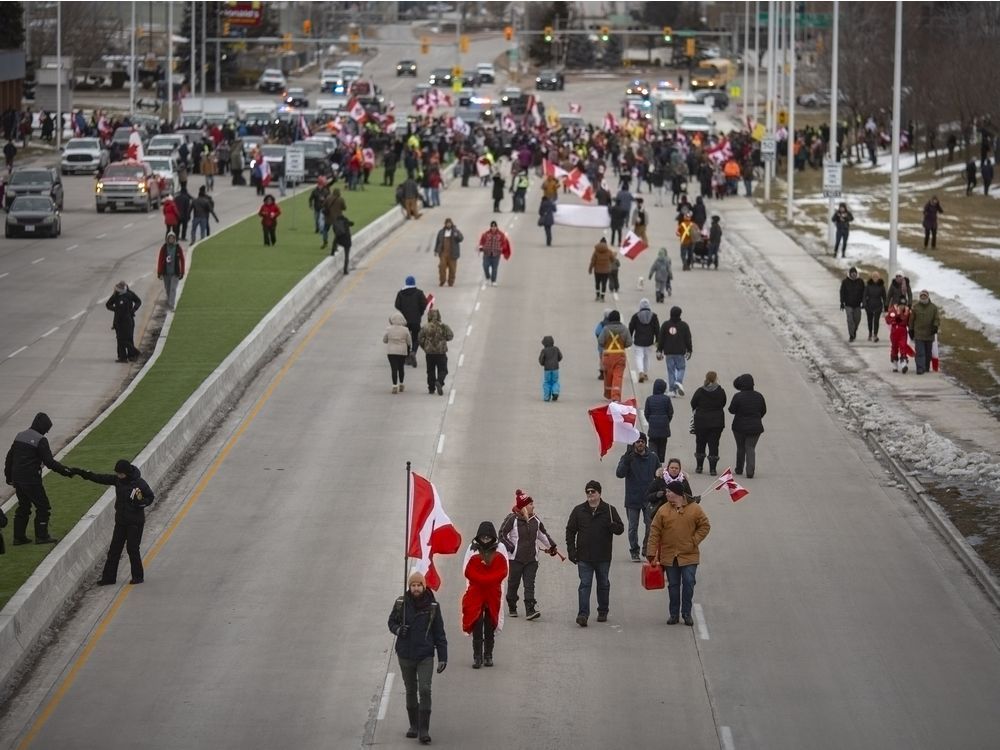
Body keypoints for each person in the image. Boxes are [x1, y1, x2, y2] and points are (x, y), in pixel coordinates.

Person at [387, 571, 447, 744]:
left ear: (424, 586)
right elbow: (391, 622)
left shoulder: (433, 606)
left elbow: (439, 633)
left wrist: (443, 657)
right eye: (413, 585)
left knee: (425, 690)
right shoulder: (401, 603)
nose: (416, 588)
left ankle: (424, 729)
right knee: (411, 690)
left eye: (419, 585)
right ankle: (413, 725)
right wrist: (399, 630)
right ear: (409, 587)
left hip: (425, 655)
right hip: (405, 654)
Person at [72, 460, 154, 585]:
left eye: (121, 474)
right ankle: (109, 578)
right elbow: (100, 478)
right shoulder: (117, 480)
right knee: (114, 549)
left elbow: (150, 497)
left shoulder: (139, 483)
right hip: (121, 521)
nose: (119, 476)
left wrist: (141, 503)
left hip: (135, 522)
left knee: (132, 549)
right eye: (117, 474)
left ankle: (137, 576)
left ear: (127, 473)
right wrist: (84, 473)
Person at [646, 480, 711, 626]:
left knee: (688, 583)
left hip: (689, 555)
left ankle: (686, 613)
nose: (667, 494)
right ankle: (674, 614)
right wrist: (651, 553)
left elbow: (705, 526)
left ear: (678, 494)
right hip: (669, 556)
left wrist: (694, 541)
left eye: (669, 492)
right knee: (673, 586)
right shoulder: (663, 510)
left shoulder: (695, 509)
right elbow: (654, 531)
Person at [4, 412, 73, 545]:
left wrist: (9, 476)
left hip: (17, 478)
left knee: (23, 506)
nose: (46, 433)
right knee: (43, 507)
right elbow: (49, 462)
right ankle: (42, 536)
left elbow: (10, 457)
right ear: (43, 427)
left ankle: (18, 537)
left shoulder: (20, 436)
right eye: (46, 429)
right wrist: (65, 471)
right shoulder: (40, 440)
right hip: (31, 479)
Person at [565, 480, 625, 626]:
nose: (590, 494)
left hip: (603, 556)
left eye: (593, 491)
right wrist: (571, 551)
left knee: (603, 583)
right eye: (588, 492)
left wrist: (613, 527)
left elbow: (620, 529)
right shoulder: (579, 510)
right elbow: (570, 531)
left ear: (599, 493)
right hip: (584, 556)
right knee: (585, 584)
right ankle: (583, 615)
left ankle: (603, 610)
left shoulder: (609, 510)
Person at [499, 489, 558, 621]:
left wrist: (552, 547)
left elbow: (543, 535)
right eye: (531, 504)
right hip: (515, 559)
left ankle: (530, 609)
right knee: (513, 584)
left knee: (529, 584)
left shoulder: (535, 520)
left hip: (531, 559)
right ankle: (512, 605)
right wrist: (511, 547)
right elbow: (502, 534)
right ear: (524, 506)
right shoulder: (512, 519)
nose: (533, 506)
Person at [461, 521, 509, 669]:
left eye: (489, 537)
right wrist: (478, 581)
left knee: (490, 623)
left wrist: (489, 580)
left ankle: (488, 655)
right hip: (476, 591)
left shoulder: (500, 548)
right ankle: (477, 656)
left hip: (493, 592)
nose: (486, 540)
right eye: (483, 537)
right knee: (477, 623)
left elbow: (504, 569)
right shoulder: (472, 548)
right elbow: (467, 569)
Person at [616, 433, 661, 563]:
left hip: (649, 499)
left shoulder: (653, 458)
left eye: (642, 441)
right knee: (632, 528)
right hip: (632, 499)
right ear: (633, 444)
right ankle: (634, 550)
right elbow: (619, 474)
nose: (640, 443)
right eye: (637, 442)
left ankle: (646, 549)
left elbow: (659, 475)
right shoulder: (627, 458)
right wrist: (626, 461)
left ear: (645, 443)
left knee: (650, 526)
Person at [729, 373, 767, 478]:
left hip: (739, 427)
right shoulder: (759, 396)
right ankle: (750, 471)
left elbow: (731, 410)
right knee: (750, 447)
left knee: (740, 447)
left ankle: (739, 468)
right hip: (755, 427)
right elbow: (763, 410)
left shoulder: (738, 396)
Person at [690, 371, 727, 475]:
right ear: (716, 379)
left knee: (700, 443)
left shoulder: (700, 391)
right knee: (714, 444)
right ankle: (713, 469)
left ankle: (699, 466)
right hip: (717, 422)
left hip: (701, 421)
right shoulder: (720, 391)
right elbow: (723, 403)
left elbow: (693, 403)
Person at [657, 306, 693, 396]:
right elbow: (688, 339)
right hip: (680, 352)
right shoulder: (684, 325)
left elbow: (661, 338)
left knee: (671, 370)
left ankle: (672, 390)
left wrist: (659, 350)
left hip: (668, 352)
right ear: (680, 314)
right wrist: (689, 350)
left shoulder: (665, 325)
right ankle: (678, 382)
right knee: (681, 368)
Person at [597, 310, 632, 401]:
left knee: (608, 376)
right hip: (620, 355)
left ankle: (608, 394)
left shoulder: (606, 329)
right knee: (618, 376)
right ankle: (615, 396)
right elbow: (629, 342)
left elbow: (600, 341)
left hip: (608, 356)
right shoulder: (624, 329)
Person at [417, 308, 454, 396]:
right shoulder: (443, 326)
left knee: (430, 370)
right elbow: (450, 336)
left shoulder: (425, 326)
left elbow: (419, 338)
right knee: (443, 370)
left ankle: (431, 388)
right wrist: (443, 340)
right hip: (441, 353)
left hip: (429, 353)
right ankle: (439, 381)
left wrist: (425, 346)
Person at [395, 276, 428, 367]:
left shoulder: (400, 293)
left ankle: (406, 357)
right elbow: (424, 304)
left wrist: (403, 311)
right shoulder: (419, 293)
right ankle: (413, 352)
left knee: (405, 338)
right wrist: (420, 312)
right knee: (416, 337)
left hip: (404, 321)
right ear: (414, 283)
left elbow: (397, 305)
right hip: (416, 320)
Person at [105, 281, 142, 362]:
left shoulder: (129, 294)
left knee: (126, 338)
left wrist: (134, 309)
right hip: (121, 320)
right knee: (121, 339)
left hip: (126, 320)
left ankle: (132, 354)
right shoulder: (116, 295)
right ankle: (123, 357)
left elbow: (138, 301)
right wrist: (116, 309)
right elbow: (108, 304)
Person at [909, 289, 941, 375]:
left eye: (925, 296)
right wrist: (911, 330)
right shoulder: (915, 307)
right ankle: (920, 368)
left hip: (929, 334)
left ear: (928, 297)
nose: (923, 297)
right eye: (921, 296)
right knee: (920, 352)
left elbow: (937, 319)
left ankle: (926, 366)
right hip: (918, 333)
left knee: (928, 352)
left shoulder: (933, 308)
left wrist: (935, 326)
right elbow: (911, 320)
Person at [629, 298, 659, 383]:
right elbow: (657, 329)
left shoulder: (636, 316)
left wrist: (629, 338)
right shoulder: (654, 316)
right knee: (647, 357)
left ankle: (640, 372)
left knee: (639, 356)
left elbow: (631, 328)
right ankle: (645, 373)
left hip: (638, 340)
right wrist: (657, 340)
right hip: (649, 341)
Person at [644, 379, 674, 463]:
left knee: (652, 441)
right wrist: (667, 420)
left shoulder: (649, 399)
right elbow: (670, 412)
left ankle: (653, 457)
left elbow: (646, 412)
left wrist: (650, 420)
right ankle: (660, 460)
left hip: (653, 424)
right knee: (662, 443)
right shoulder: (666, 399)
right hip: (664, 424)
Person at [156, 232, 186, 311]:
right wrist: (159, 272)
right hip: (166, 273)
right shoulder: (164, 248)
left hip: (175, 273)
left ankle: (171, 305)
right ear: (167, 239)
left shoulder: (178, 247)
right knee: (168, 289)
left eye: (173, 238)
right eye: (170, 238)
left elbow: (182, 260)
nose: (171, 240)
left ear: (175, 239)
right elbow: (160, 259)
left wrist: (182, 271)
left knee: (173, 289)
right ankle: (169, 302)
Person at [383, 312, 412, 394]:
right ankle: (401, 384)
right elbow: (409, 342)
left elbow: (384, 340)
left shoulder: (388, 329)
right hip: (402, 351)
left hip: (391, 352)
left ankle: (394, 385)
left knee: (394, 368)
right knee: (401, 368)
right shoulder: (405, 330)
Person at [477, 220, 511, 287]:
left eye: (494, 226)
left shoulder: (501, 234)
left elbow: (505, 243)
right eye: (492, 226)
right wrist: (480, 247)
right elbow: (482, 242)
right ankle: (488, 277)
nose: (493, 228)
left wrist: (502, 248)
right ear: (490, 227)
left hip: (496, 254)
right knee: (485, 266)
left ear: (496, 227)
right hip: (487, 254)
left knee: (494, 268)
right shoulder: (486, 234)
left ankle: (493, 281)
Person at [433, 218, 463, 287]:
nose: (448, 224)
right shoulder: (441, 232)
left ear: (451, 224)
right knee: (441, 267)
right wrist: (436, 251)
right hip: (443, 253)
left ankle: (451, 282)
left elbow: (461, 238)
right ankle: (442, 280)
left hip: (452, 253)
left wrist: (456, 235)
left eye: (450, 223)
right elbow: (437, 242)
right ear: (445, 224)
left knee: (452, 269)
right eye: (447, 223)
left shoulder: (455, 231)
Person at [839, 267, 865, 342]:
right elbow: (842, 292)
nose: (853, 275)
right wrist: (842, 303)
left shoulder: (860, 281)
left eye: (855, 273)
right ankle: (851, 335)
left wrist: (864, 302)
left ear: (856, 274)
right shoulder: (845, 282)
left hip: (857, 304)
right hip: (848, 304)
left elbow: (864, 292)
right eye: (852, 273)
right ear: (850, 274)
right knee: (850, 320)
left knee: (857, 319)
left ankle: (854, 330)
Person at [885, 300, 911, 373]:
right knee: (894, 347)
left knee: (903, 346)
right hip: (894, 331)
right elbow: (887, 319)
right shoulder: (893, 310)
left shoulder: (907, 311)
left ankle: (903, 363)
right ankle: (894, 364)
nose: (902, 306)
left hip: (903, 331)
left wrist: (911, 328)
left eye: (903, 305)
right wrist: (893, 320)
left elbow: (910, 321)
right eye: (900, 305)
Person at [589, 236, 615, 302]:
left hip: (597, 271)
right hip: (606, 271)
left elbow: (592, 261)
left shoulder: (596, 252)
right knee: (604, 284)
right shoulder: (609, 251)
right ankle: (602, 297)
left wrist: (590, 269)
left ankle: (597, 296)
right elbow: (613, 259)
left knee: (597, 283)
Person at [863, 271, 887, 342]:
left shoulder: (881, 286)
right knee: (870, 320)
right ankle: (870, 333)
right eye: (874, 276)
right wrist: (864, 304)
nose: (875, 278)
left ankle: (875, 334)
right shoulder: (868, 286)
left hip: (878, 305)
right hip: (869, 305)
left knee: (876, 321)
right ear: (871, 277)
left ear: (879, 277)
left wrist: (885, 306)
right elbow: (864, 295)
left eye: (876, 276)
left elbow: (884, 297)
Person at [538, 335, 563, 402]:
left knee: (547, 382)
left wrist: (544, 364)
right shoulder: (556, 349)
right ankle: (555, 392)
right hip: (555, 369)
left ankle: (546, 397)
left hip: (547, 369)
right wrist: (556, 361)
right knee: (555, 381)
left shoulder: (544, 351)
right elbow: (560, 357)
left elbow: (541, 360)